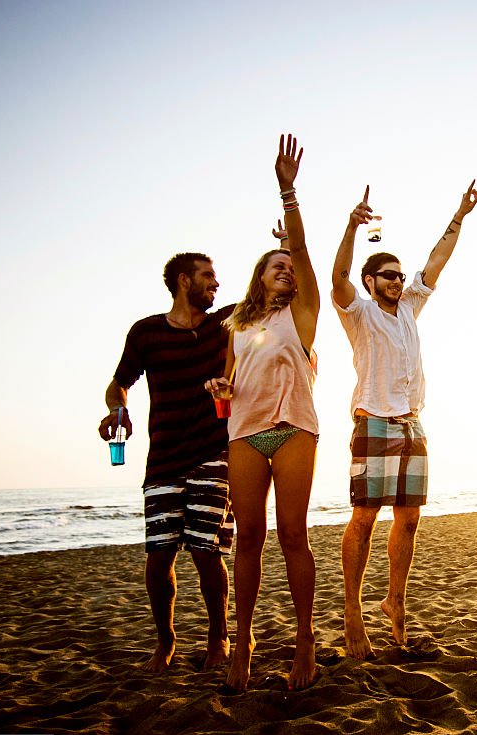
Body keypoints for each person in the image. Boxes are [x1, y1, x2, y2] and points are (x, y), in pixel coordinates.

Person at [332, 180, 477, 658]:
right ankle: (353, 611)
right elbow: (337, 277)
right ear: (371, 281)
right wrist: (352, 227)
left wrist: (460, 214)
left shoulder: (411, 308)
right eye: (388, 275)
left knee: (410, 518)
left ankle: (394, 600)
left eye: (399, 275)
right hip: (373, 420)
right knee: (364, 517)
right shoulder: (358, 312)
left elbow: (438, 260)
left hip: (413, 424)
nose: (398, 280)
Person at [205, 134, 321, 692]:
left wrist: (288, 192)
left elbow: (300, 251)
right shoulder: (237, 324)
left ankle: (305, 639)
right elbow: (228, 387)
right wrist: (219, 387)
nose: (286, 269)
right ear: (259, 275)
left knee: (293, 536)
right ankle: (243, 642)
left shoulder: (302, 315)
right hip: (244, 434)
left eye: (290, 266)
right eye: (275, 265)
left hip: (293, 429)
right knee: (249, 537)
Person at [98, 253, 233, 673]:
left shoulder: (225, 322)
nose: (216, 283)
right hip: (163, 460)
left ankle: (219, 638)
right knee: (159, 556)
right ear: (182, 280)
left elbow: (276, 299)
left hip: (214, 454)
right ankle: (166, 642)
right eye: (208, 276)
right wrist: (117, 410)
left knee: (206, 552)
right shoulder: (146, 333)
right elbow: (118, 384)